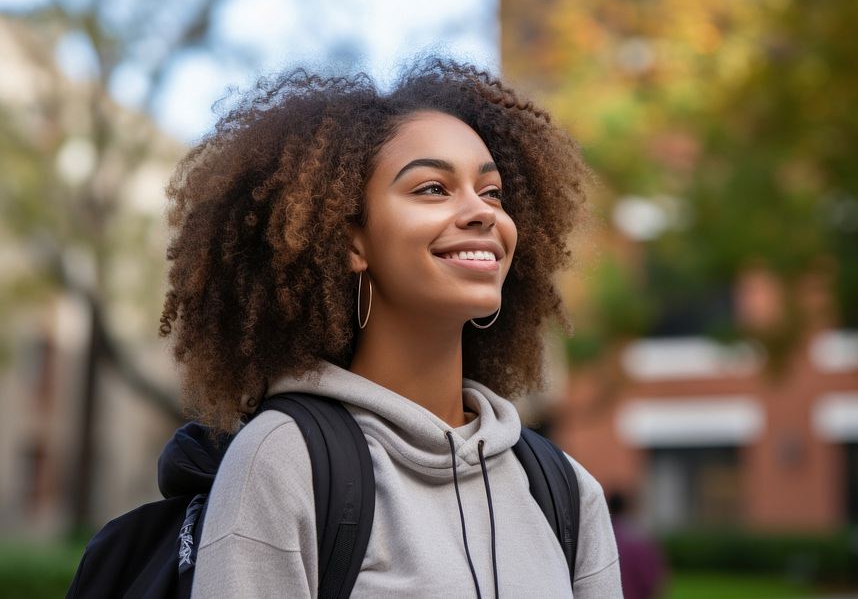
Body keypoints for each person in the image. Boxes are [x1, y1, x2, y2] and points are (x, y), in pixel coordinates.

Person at [159, 59, 623, 598]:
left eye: (492, 192)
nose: (482, 213)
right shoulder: (284, 461)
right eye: (432, 188)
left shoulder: (563, 490)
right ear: (352, 239)